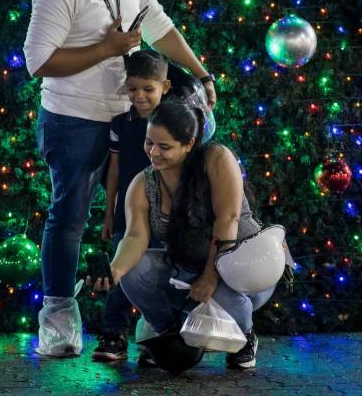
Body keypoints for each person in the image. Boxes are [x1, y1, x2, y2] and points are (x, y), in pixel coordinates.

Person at [23, 0, 217, 356]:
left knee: (145, 217)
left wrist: (201, 74)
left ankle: (149, 315)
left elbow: (158, 25)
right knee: (69, 215)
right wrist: (105, 48)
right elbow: (39, 63)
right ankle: (58, 319)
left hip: (132, 118)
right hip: (73, 120)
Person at [108, 100, 285, 370]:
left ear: (189, 143)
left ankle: (245, 335)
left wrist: (210, 276)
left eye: (164, 147)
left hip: (245, 271)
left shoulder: (216, 158)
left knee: (225, 299)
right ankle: (172, 333)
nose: (153, 153)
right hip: (188, 271)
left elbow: (228, 219)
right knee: (133, 272)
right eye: (149, 143)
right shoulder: (143, 184)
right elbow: (135, 237)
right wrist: (115, 269)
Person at [92, 50, 170, 363]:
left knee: (162, 271)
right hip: (127, 211)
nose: (139, 96)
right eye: (132, 88)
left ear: (164, 87)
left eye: (147, 89)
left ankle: (161, 337)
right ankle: (113, 332)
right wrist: (108, 212)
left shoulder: (175, 121)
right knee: (122, 270)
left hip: (166, 214)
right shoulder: (120, 124)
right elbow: (113, 170)